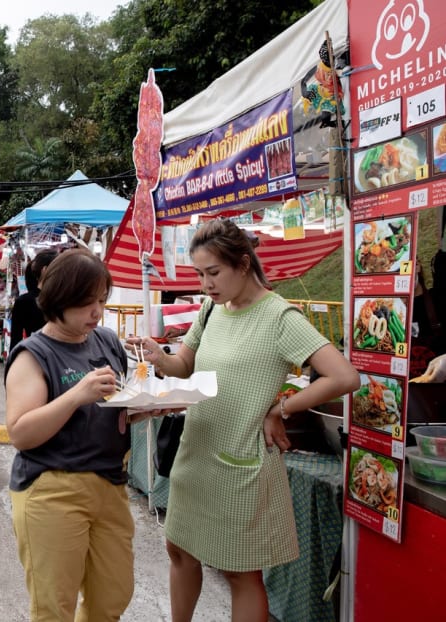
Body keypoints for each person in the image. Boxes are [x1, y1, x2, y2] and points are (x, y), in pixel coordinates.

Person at [125, 218, 360, 622]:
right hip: (195, 451)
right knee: (179, 549)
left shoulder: (279, 317)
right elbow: (184, 364)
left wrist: (281, 409)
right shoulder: (210, 310)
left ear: (244, 264)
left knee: (239, 570)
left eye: (213, 273)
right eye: (199, 274)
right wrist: (159, 357)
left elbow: (344, 377)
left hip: (241, 461)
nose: (205, 284)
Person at [4, 248, 165, 622]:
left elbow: (111, 411)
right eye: (86, 303)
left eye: (102, 301)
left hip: (109, 484)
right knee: (54, 607)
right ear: (59, 299)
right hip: (52, 488)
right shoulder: (33, 354)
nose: (97, 312)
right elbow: (21, 433)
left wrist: (144, 409)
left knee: (111, 598)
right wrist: (77, 394)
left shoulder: (106, 342)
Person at [9, 249, 58, 352]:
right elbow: (15, 341)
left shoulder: (64, 299)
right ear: (45, 270)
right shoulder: (24, 302)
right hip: (36, 357)